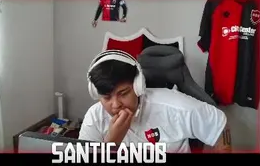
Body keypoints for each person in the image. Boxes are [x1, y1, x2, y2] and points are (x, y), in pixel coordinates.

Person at [80, 50, 232, 152]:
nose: (115, 105)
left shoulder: (173, 106)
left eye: (123, 93)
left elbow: (219, 124)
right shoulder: (95, 117)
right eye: (107, 97)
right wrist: (112, 143)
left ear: (138, 86)